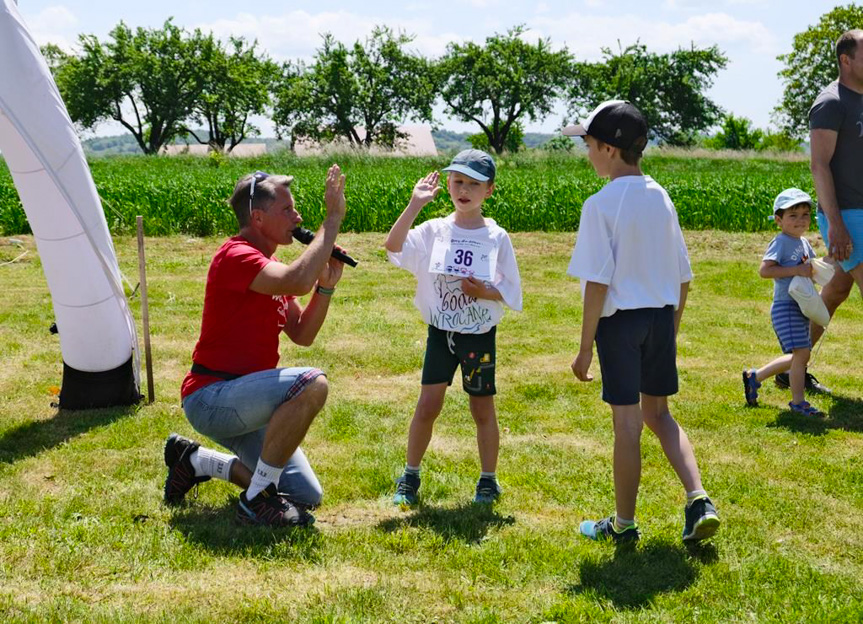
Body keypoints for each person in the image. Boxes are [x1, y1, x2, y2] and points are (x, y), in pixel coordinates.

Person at [565, 101, 719, 544]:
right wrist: (671, 330)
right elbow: (684, 276)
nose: (588, 154)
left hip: (620, 326)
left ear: (610, 149)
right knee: (660, 415)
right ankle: (698, 498)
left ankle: (624, 525)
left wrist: (583, 348)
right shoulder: (660, 196)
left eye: (590, 145)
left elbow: (597, 283)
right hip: (659, 317)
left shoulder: (599, 204)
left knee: (628, 425)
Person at [163, 165, 348, 527]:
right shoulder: (236, 256)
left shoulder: (268, 263)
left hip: (246, 401)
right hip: (212, 396)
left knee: (305, 496)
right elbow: (296, 281)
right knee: (312, 383)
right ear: (258, 218)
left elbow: (302, 334)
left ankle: (195, 460)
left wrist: (325, 287)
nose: (297, 217)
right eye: (287, 210)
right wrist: (332, 218)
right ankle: (255, 503)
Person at [384, 149, 522, 506]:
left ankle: (488, 481)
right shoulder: (435, 230)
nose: (464, 189)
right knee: (428, 405)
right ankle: (410, 477)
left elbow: (510, 291)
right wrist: (415, 205)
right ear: (447, 184)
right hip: (439, 334)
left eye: (474, 184)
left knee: (482, 409)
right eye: (458, 181)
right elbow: (393, 246)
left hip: (477, 337)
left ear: (489, 190)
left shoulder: (496, 236)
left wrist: (484, 291)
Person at [795, 29, 863, 390]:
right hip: (848, 216)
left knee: (836, 292)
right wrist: (835, 224)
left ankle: (791, 366)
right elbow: (819, 166)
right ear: (846, 60)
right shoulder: (831, 103)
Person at [742, 189, 824, 417]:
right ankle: (798, 403)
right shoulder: (781, 242)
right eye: (793, 215)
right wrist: (796, 270)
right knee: (801, 354)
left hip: (801, 306)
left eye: (805, 214)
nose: (801, 220)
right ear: (779, 220)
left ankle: (754, 377)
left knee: (800, 355)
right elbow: (764, 270)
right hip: (785, 306)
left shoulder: (805, 243)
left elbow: (812, 269)